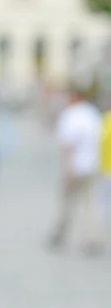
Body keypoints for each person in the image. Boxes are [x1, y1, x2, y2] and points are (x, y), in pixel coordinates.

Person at [50, 86, 105, 254]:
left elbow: (68, 146)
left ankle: (60, 234)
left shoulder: (70, 115)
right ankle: (92, 238)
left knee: (67, 202)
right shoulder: (93, 113)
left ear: (73, 96)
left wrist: (67, 170)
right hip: (91, 165)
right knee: (89, 204)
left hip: (75, 166)